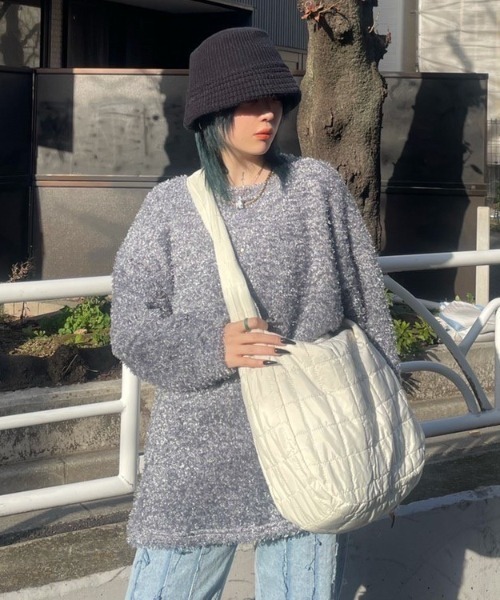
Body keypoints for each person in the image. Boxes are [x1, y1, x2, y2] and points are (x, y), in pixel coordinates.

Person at [111, 27, 398, 600]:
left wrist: (384, 426)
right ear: (211, 111)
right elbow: (132, 325)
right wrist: (213, 347)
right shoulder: (170, 207)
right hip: (197, 456)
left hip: (311, 442)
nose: (267, 114)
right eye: (248, 102)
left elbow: (367, 305)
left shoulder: (316, 189)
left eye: (274, 100)